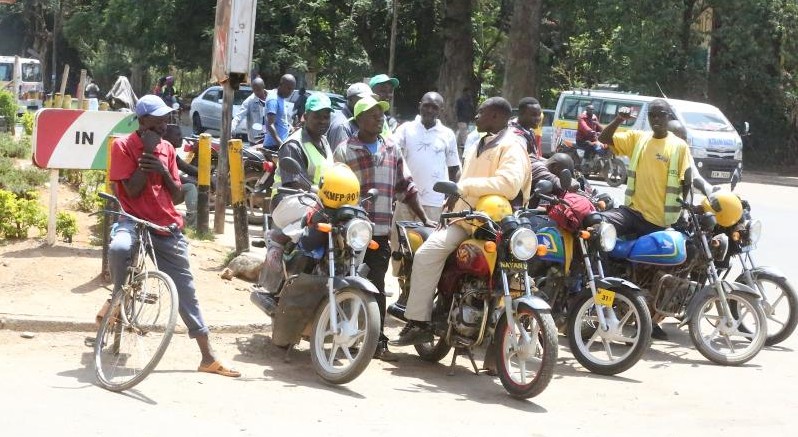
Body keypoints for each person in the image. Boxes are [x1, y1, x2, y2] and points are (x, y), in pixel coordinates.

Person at [106, 95, 240, 377]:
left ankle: (207, 356)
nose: (164, 125)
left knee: (185, 288)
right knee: (119, 249)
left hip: (165, 223)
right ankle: (117, 300)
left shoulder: (167, 148)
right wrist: (149, 156)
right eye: (158, 121)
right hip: (132, 219)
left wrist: (164, 168)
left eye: (166, 119)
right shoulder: (123, 146)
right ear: (142, 122)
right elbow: (130, 191)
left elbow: (177, 194)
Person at [390, 97, 532, 346]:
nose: (476, 117)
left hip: (498, 226)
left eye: (482, 113)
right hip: (467, 220)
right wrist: (453, 203)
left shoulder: (511, 146)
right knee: (426, 254)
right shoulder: (480, 142)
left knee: (515, 277)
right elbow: (462, 184)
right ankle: (419, 321)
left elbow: (509, 185)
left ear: (497, 117)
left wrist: (464, 187)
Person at [334, 96, 435, 361]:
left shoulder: (391, 148)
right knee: (345, 281)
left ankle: (377, 343)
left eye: (381, 115)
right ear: (358, 120)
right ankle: (345, 336)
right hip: (350, 232)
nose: (379, 119)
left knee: (377, 285)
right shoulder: (345, 150)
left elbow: (406, 187)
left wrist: (424, 218)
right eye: (372, 115)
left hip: (379, 232)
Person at [597, 99, 693, 340]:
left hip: (660, 222)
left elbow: (687, 181)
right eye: (652, 115)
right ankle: (599, 296)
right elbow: (604, 139)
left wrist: (690, 209)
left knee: (656, 276)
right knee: (596, 227)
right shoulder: (638, 138)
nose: (656, 119)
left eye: (660, 114)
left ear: (669, 117)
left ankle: (650, 320)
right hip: (631, 212)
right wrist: (619, 119)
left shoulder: (678, 146)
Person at [258, 93, 335, 293]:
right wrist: (318, 191)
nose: (322, 120)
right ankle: (279, 238)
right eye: (317, 115)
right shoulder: (294, 144)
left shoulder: (325, 142)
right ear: (305, 116)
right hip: (287, 200)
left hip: (317, 199)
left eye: (326, 116)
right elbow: (294, 181)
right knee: (319, 213)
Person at [389, 92, 461, 276]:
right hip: (405, 200)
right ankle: (402, 289)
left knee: (426, 249)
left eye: (434, 107)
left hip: (433, 203)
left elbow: (454, 168)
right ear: (420, 105)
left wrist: (453, 194)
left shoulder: (447, 134)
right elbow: (392, 156)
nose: (429, 110)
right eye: (426, 105)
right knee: (399, 246)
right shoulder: (406, 129)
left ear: (441, 110)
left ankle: (418, 289)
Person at [163, 124, 199, 228]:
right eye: (177, 135)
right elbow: (171, 177)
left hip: (168, 192)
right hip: (161, 194)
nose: (181, 138)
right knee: (190, 187)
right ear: (166, 136)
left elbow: (185, 167)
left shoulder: (172, 150)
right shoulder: (163, 150)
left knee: (192, 185)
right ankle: (192, 224)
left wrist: (206, 176)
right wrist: (195, 182)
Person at [328, 82, 373, 150]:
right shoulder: (343, 125)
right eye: (363, 99)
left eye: (369, 99)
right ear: (350, 100)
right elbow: (341, 157)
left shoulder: (357, 119)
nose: (367, 102)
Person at [264, 74, 296, 150]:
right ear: (281, 85)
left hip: (280, 144)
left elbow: (281, 119)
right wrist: (281, 144)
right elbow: (270, 124)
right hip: (273, 146)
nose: (290, 92)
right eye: (288, 88)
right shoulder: (273, 100)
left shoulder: (281, 98)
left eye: (292, 89)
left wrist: (290, 127)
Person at [231, 77, 267, 144]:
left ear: (263, 87)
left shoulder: (271, 98)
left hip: (269, 139)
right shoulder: (249, 101)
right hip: (256, 140)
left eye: (258, 90)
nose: (256, 92)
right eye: (254, 90)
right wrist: (231, 129)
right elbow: (238, 117)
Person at [455, 88, 476, 153]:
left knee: (464, 134)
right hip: (462, 120)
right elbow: (457, 110)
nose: (469, 94)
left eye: (469, 92)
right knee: (464, 135)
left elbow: (472, 110)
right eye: (468, 92)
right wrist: (458, 119)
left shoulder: (470, 101)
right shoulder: (460, 100)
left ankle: (459, 146)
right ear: (464, 92)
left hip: (468, 120)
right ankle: (465, 148)